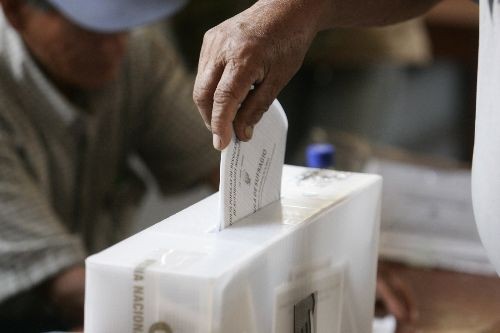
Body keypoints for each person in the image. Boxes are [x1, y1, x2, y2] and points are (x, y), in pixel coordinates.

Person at [0, 0, 218, 331]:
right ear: (16, 11)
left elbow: (223, 166)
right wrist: (192, 315)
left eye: (122, 20)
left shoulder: (134, 53)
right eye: (91, 27)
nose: (115, 41)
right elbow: (65, 286)